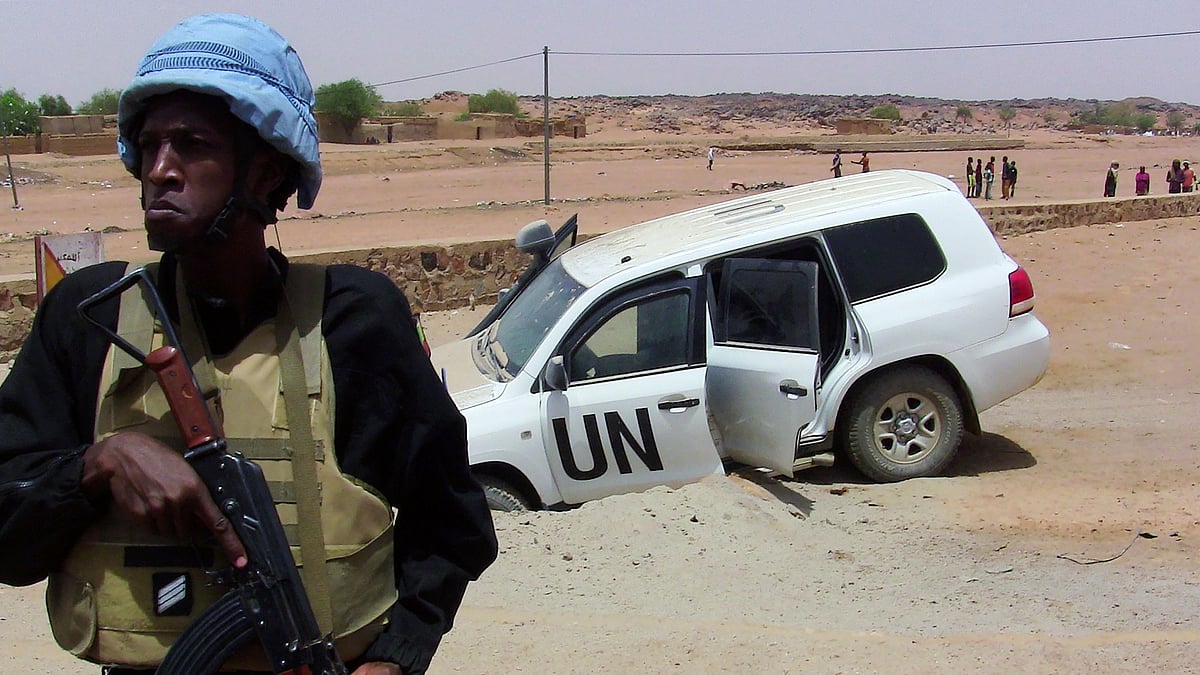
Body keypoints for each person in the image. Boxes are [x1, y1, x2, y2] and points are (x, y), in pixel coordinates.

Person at [0, 13, 497, 675]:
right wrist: (101, 464)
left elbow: (452, 521)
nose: (159, 169)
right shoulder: (89, 321)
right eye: (148, 146)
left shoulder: (354, 322)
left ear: (266, 171)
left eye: (190, 144)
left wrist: (398, 655)